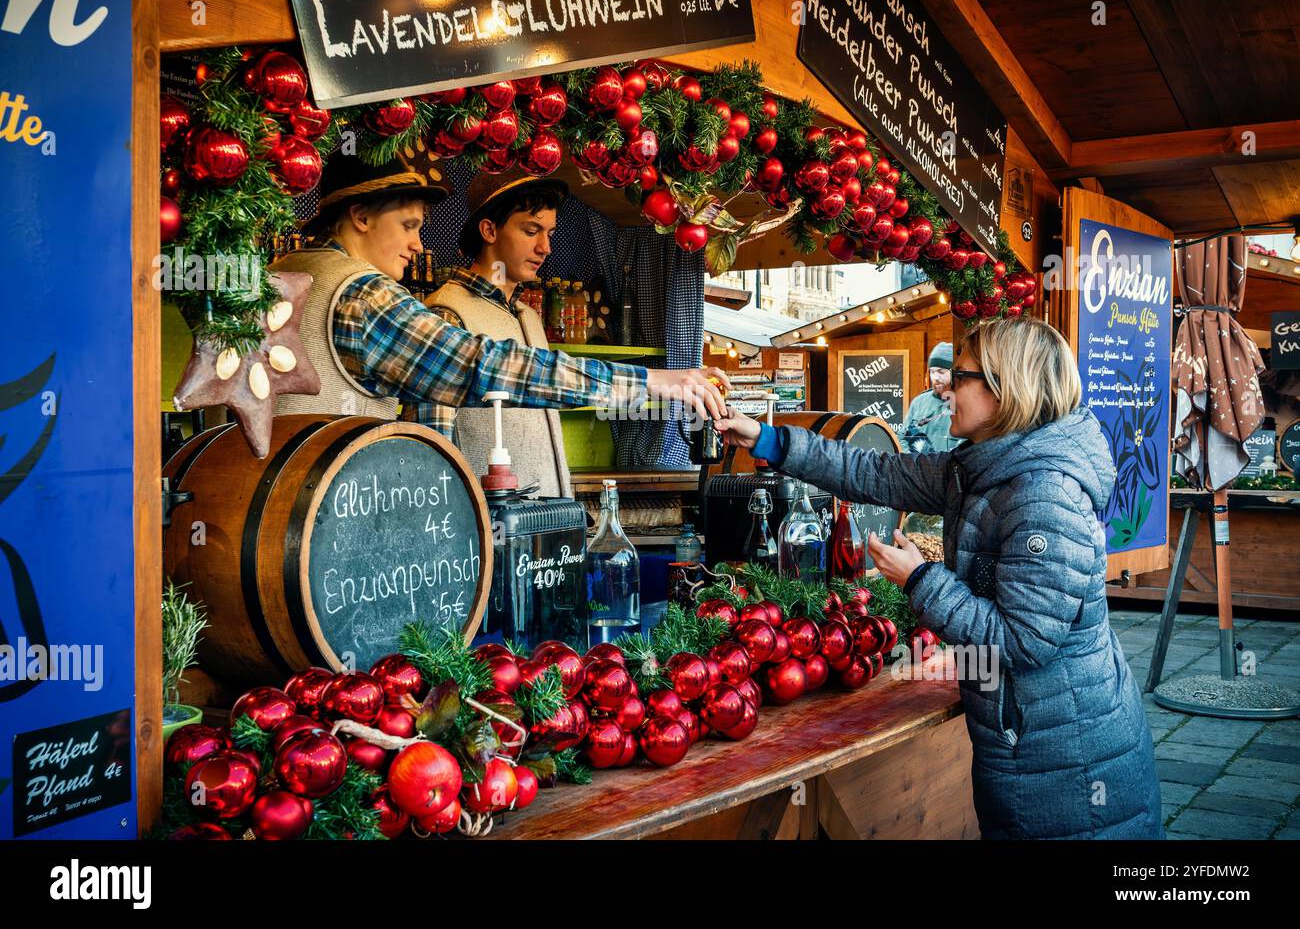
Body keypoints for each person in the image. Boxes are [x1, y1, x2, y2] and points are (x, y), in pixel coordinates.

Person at [716, 318, 1164, 839]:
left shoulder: (1044, 494)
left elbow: (1023, 642)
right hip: (1029, 745)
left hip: (1069, 760)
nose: (946, 388)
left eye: (960, 375)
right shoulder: (983, 465)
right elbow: (875, 473)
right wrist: (765, 439)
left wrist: (920, 579)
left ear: (1004, 390)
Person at [272, 150, 729, 432]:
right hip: (337, 526)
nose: (417, 243)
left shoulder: (284, 275)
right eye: (408, 225)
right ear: (361, 217)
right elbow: (482, 366)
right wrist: (653, 380)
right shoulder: (363, 294)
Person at [402, 172, 573, 497]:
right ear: (489, 230)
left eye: (549, 233)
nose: (545, 247)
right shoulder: (447, 312)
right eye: (531, 230)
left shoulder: (530, 317)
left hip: (546, 529)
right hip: (483, 532)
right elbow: (430, 455)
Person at [900, 341, 959, 453]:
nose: (935, 377)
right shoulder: (919, 402)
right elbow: (902, 437)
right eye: (932, 372)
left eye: (941, 372)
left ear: (954, 373)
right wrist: (915, 462)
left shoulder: (965, 403)